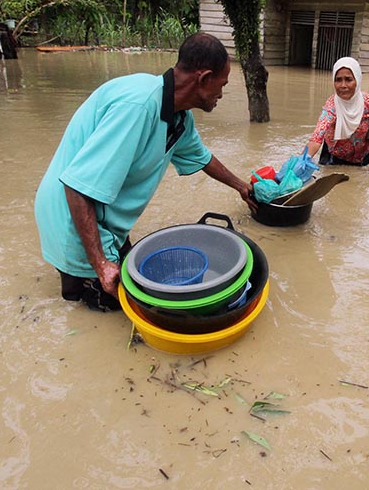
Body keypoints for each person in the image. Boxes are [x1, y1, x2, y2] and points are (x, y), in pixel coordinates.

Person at [34, 32, 255, 312]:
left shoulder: (178, 117)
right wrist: (101, 265)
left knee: (135, 284)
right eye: (221, 85)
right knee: (110, 309)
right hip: (71, 215)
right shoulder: (137, 106)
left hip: (103, 217)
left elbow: (204, 159)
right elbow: (77, 187)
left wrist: (241, 187)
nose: (221, 94)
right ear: (204, 79)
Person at [305, 57, 369, 174]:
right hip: (334, 157)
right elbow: (317, 137)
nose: (343, 85)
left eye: (348, 79)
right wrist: (301, 161)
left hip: (361, 156)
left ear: (358, 80)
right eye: (338, 80)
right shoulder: (331, 107)